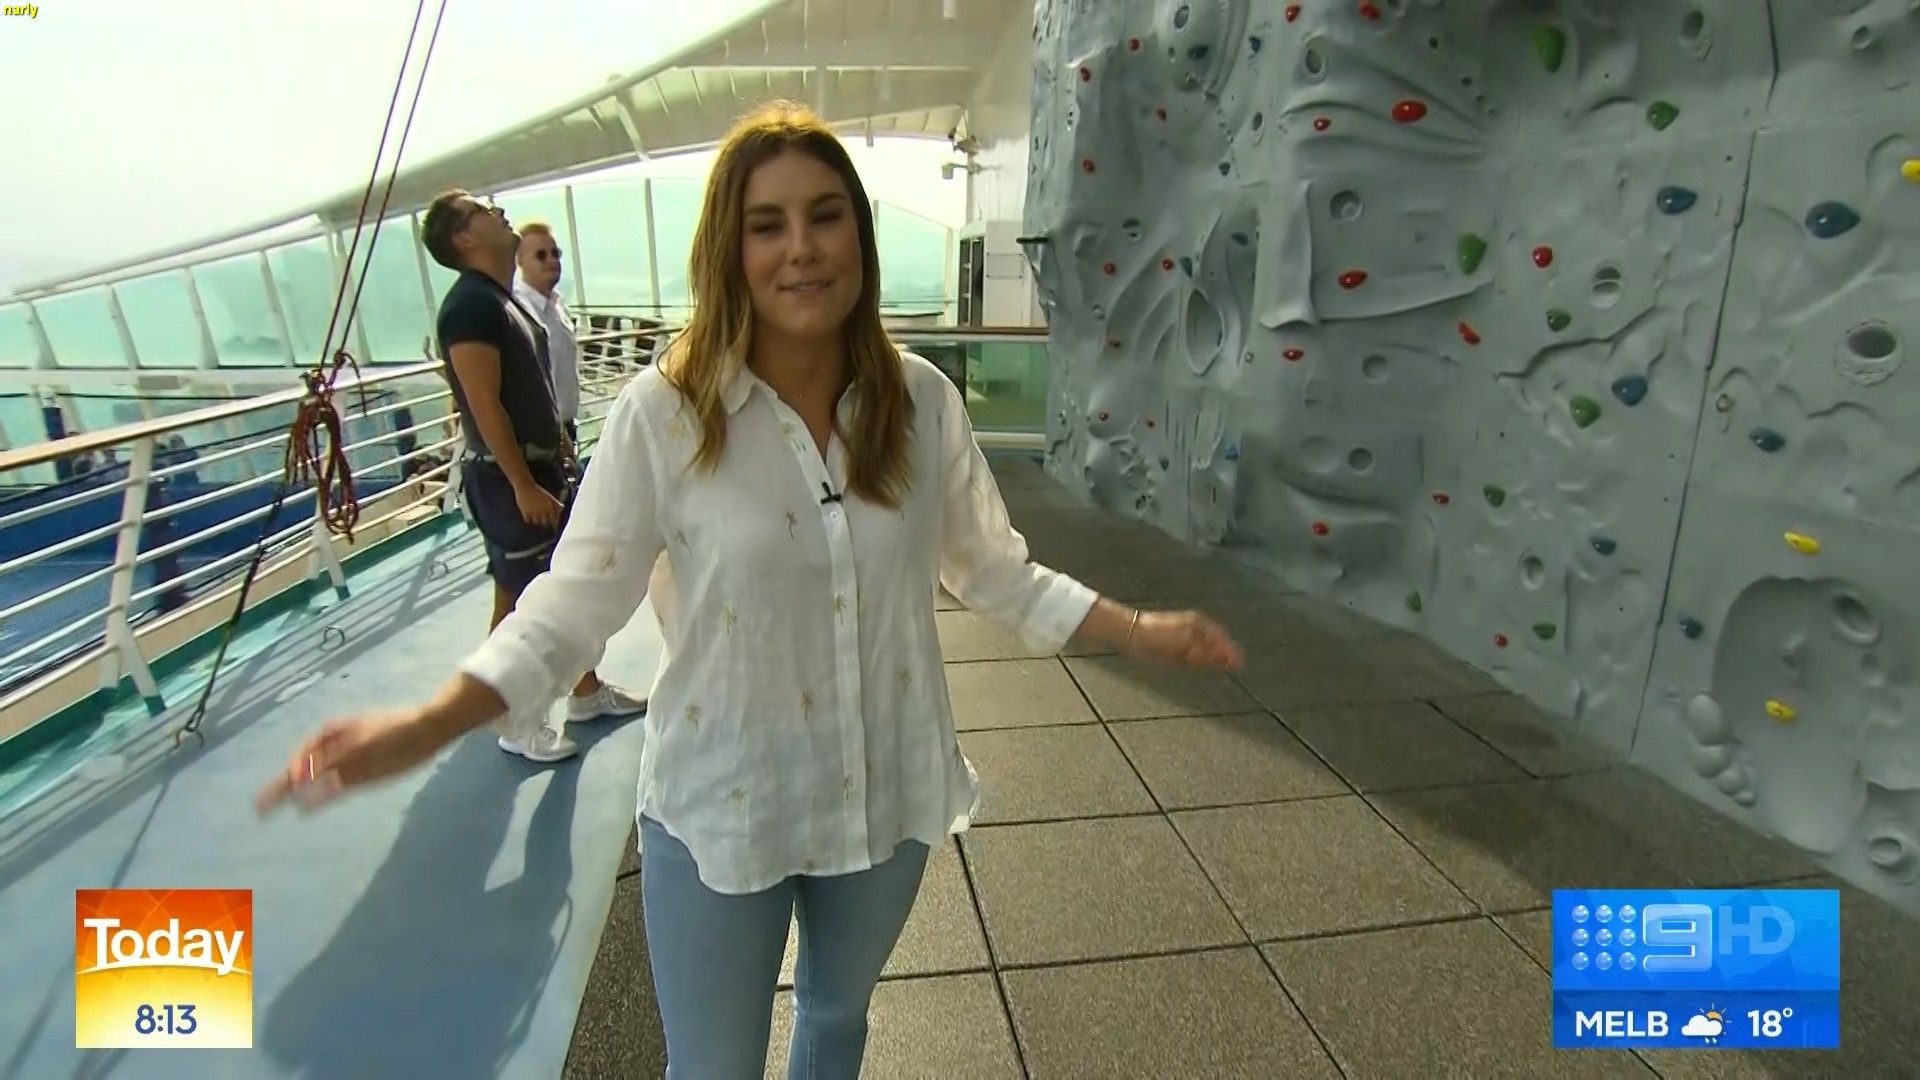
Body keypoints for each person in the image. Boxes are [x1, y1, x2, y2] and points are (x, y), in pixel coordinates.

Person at [257, 101, 1243, 1078]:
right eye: (766, 225)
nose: (800, 247)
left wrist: (1139, 630)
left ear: (858, 234)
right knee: (712, 1068)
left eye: (825, 215)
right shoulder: (665, 416)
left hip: (885, 788)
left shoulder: (920, 401)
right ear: (729, 252)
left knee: (836, 1021)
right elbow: (571, 605)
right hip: (723, 802)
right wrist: (429, 724)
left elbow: (992, 566)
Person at [415, 189, 646, 764]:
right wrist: (522, 483)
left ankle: (584, 692)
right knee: (521, 595)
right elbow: (484, 404)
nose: (497, 212)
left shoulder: (500, 300)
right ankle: (511, 716)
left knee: (557, 586)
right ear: (464, 238)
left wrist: (557, 451)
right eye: (481, 211)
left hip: (538, 468)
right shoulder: (470, 307)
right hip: (509, 480)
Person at [510, 222, 583, 446]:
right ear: (520, 261)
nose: (552, 260)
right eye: (541, 255)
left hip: (566, 429)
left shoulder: (557, 305)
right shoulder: (518, 310)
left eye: (555, 253)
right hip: (542, 435)